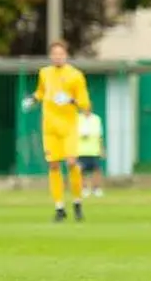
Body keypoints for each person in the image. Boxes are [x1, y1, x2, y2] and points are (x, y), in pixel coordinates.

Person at [22, 40, 92, 222]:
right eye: (54, 54)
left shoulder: (76, 75)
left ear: (66, 55)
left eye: (61, 54)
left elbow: (85, 105)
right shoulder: (45, 73)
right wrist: (33, 99)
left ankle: (77, 202)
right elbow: (41, 92)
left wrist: (70, 100)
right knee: (53, 165)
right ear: (50, 56)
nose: (57, 57)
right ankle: (59, 207)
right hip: (49, 127)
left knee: (70, 163)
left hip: (68, 127)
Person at [78, 109, 105, 198]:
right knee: (81, 171)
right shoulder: (77, 118)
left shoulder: (96, 119)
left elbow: (100, 135)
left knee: (97, 169)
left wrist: (101, 148)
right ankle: (84, 189)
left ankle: (96, 189)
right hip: (81, 150)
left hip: (94, 150)